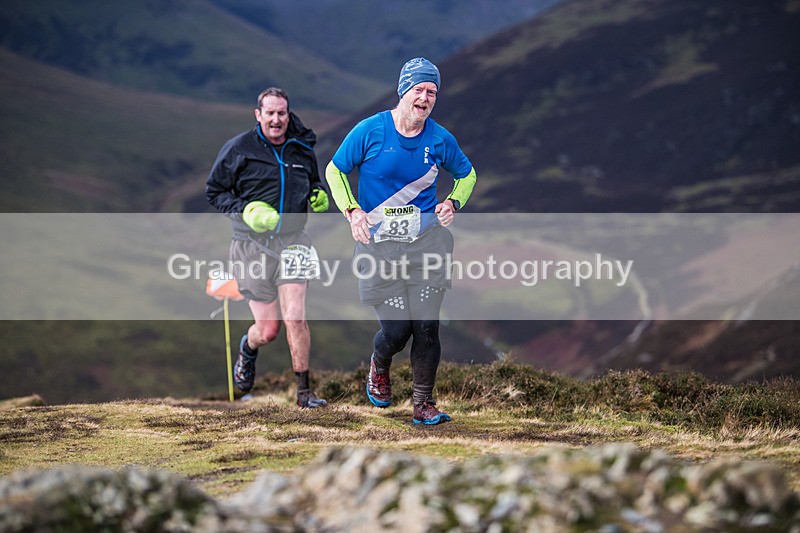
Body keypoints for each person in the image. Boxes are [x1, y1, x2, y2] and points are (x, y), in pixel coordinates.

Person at [325, 58, 477, 424]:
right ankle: (380, 362)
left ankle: (423, 405)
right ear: (403, 91)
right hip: (380, 249)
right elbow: (335, 170)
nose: (425, 98)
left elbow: (467, 174)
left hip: (427, 246)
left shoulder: (440, 139)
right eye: (419, 90)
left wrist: (453, 202)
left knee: (426, 325)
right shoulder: (370, 130)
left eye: (432, 92)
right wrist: (352, 211)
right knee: (396, 331)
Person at [206, 87, 329, 408]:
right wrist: (247, 212)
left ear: (289, 115)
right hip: (251, 246)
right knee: (269, 329)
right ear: (258, 114)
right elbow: (215, 190)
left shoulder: (301, 150)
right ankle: (249, 346)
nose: (276, 119)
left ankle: (304, 392)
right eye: (270, 113)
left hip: (293, 242)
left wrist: (317, 195)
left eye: (282, 113)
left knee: (295, 318)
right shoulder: (238, 149)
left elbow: (313, 181)